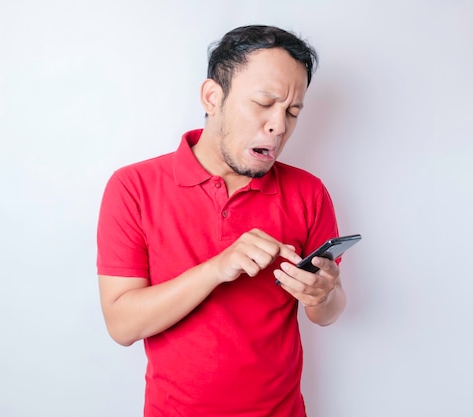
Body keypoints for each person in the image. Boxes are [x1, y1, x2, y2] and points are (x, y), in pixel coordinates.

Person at [97, 24, 347, 417]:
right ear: (213, 97)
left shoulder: (309, 192)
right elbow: (122, 325)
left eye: (292, 111)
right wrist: (217, 268)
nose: (279, 126)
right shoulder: (133, 187)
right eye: (264, 102)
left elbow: (326, 313)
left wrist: (324, 294)